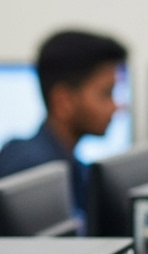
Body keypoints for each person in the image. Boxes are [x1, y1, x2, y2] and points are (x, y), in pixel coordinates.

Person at [0, 30, 128, 215]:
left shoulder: (75, 169)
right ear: (63, 102)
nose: (116, 107)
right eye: (106, 94)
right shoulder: (30, 172)